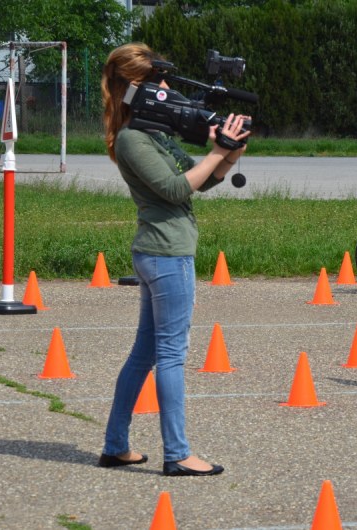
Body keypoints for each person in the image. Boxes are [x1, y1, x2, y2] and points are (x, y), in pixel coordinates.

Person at [98, 43, 251, 476]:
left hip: (162, 253)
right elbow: (174, 189)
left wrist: (230, 152)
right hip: (166, 254)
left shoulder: (153, 133)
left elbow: (200, 181)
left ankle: (115, 446)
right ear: (137, 87)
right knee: (170, 355)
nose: (167, 88)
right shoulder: (132, 138)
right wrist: (217, 153)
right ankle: (178, 454)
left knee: (145, 354)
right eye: (160, 82)